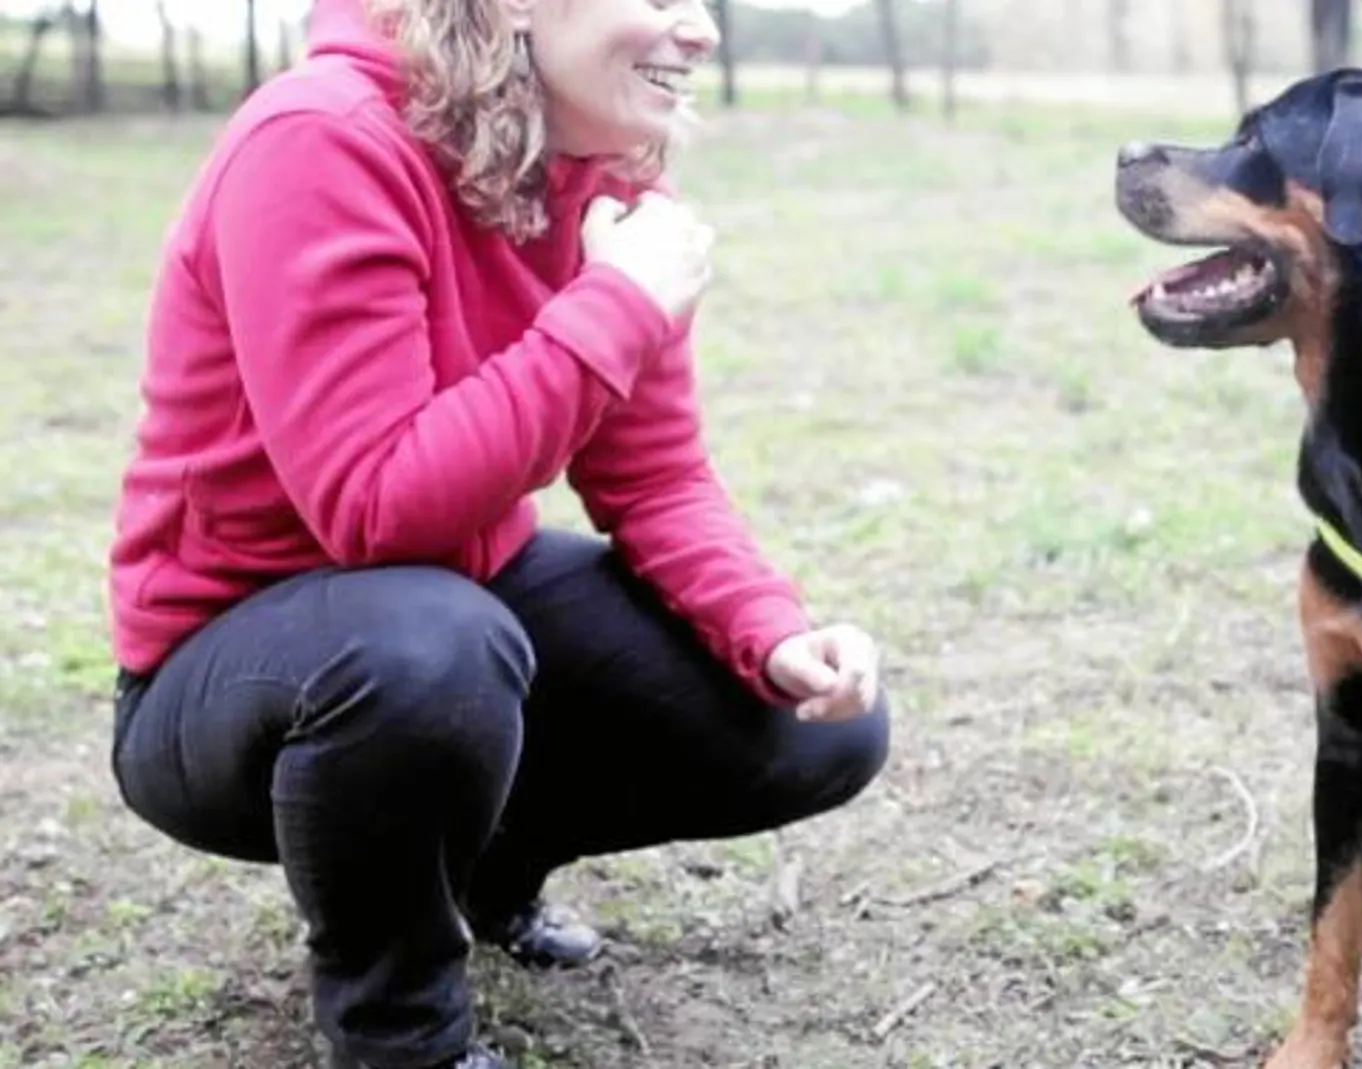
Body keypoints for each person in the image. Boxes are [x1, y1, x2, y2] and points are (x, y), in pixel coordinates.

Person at [103, 0, 892, 1064]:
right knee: (427, 648)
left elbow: (652, 475)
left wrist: (768, 627)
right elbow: (373, 504)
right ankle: (402, 1037)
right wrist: (616, 304)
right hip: (234, 675)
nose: (699, 28)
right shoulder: (321, 138)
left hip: (448, 605)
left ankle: (479, 881)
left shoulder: (608, 175)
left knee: (814, 723)